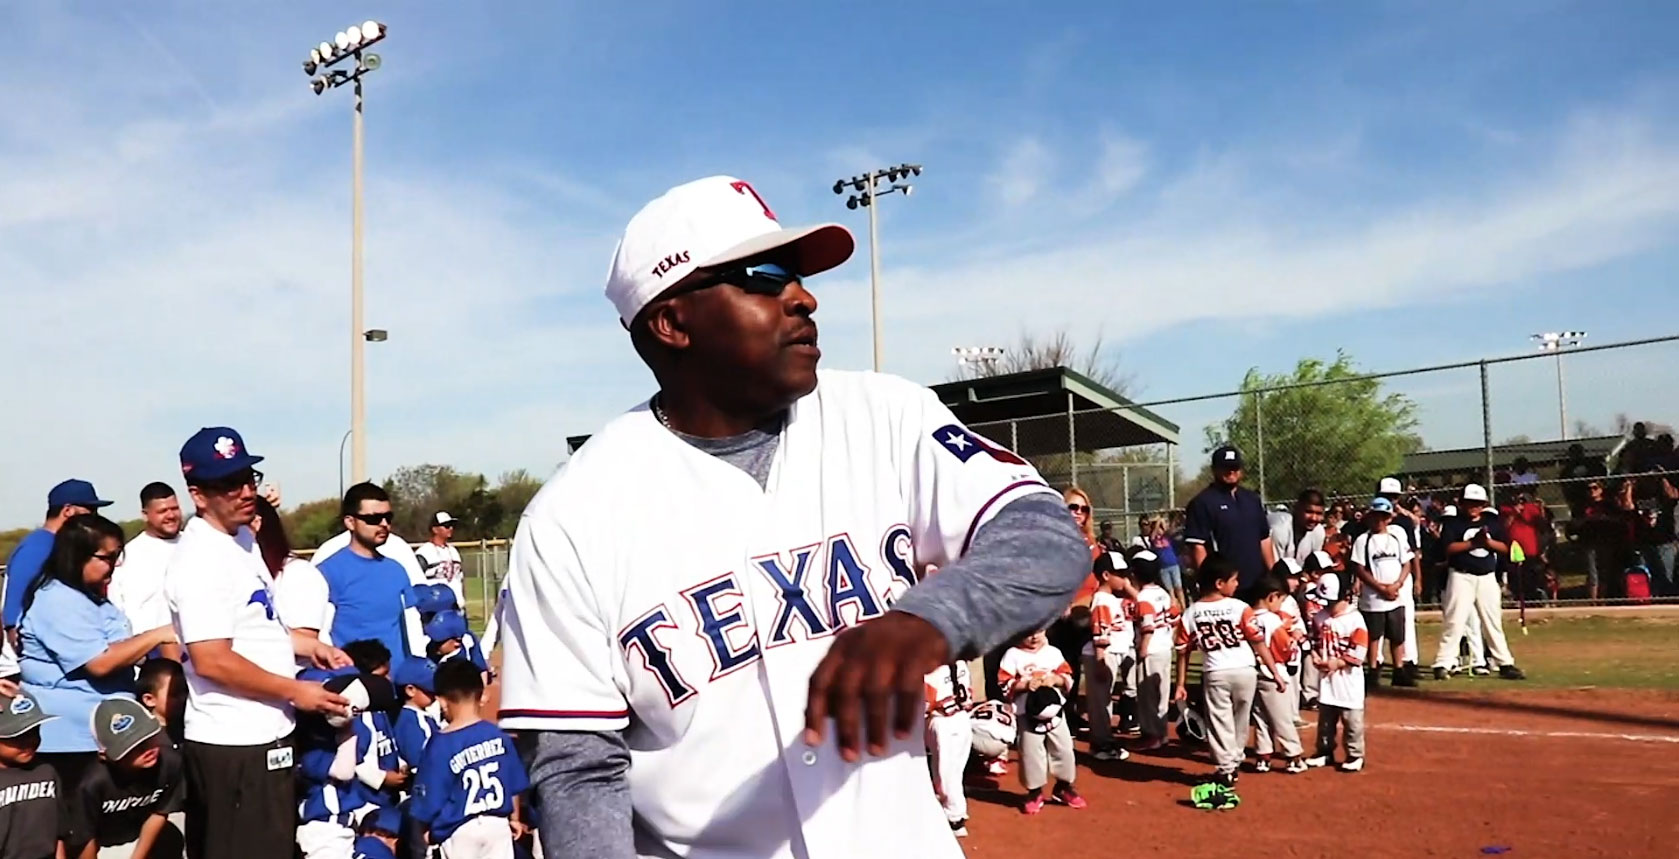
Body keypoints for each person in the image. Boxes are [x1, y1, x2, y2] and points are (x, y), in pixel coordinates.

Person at [497, 175, 1090, 858]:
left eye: (799, 277)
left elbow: (1044, 537)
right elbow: (578, 768)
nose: (803, 297)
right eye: (765, 276)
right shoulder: (572, 515)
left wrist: (926, 619)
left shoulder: (885, 416)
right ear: (672, 321)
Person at [164, 426, 352, 859]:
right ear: (198, 493)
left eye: (248, 478)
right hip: (233, 743)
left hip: (268, 732)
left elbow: (253, 628)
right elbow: (212, 660)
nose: (245, 491)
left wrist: (307, 647)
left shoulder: (242, 541)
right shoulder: (199, 559)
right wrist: (296, 690)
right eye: (228, 484)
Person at [17, 513, 178, 848]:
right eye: (106, 558)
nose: (113, 566)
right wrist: (159, 634)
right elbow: (100, 663)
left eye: (117, 556)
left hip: (110, 734)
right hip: (70, 743)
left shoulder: (91, 597)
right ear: (77, 555)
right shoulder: (56, 599)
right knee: (80, 835)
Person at [1173, 554, 1286, 788]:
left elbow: (1182, 650)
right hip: (1245, 670)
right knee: (1240, 719)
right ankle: (1233, 760)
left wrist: (1181, 683)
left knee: (1219, 721)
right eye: (1233, 580)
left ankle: (1226, 767)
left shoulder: (1191, 612)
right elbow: (1258, 643)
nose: (1237, 584)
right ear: (1219, 583)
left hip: (1216, 673)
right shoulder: (1241, 608)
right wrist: (1274, 672)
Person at [411, 659, 529, 858]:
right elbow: (513, 784)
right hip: (497, 826)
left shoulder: (440, 743)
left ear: (441, 701)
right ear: (482, 696)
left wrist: (424, 831)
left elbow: (430, 798)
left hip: (460, 830)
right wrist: (514, 818)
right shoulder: (498, 735)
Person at [313, 484, 423, 662]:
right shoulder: (327, 572)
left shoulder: (397, 570)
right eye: (374, 519)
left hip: (396, 685)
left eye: (388, 517)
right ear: (350, 522)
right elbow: (321, 635)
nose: (384, 524)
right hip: (352, 684)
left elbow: (412, 628)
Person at [1429, 485, 1526, 681]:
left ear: (1483, 505)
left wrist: (1488, 543)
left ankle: (1504, 662)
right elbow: (1449, 548)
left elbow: (1505, 547)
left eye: (1477, 504)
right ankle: (1443, 663)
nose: (1473, 507)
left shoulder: (1493, 523)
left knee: (1492, 621)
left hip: (1486, 576)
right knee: (1454, 621)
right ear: (1461, 503)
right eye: (1469, 503)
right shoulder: (1454, 524)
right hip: (1461, 575)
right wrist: (1473, 543)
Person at [75, 696, 186, 859]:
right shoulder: (93, 783)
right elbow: (85, 838)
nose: (147, 749)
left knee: (172, 839)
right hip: (103, 847)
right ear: (105, 755)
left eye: (148, 738)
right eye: (134, 746)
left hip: (141, 842)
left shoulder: (170, 762)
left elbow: (159, 813)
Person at [4, 480, 113, 640]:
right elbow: (15, 611)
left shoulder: (59, 544)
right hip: (28, 655)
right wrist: (22, 652)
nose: (94, 517)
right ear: (68, 510)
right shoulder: (39, 546)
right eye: (90, 510)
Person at [999, 629, 1082, 815]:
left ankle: (1063, 786)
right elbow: (1004, 683)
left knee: (1064, 748)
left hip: (1055, 712)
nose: (1034, 637)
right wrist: (1025, 685)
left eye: (1039, 632)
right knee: (1031, 752)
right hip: (1027, 712)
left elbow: (1067, 676)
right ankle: (1034, 791)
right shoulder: (1012, 655)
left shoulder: (1052, 652)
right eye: (1028, 633)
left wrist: (1056, 679)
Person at [1183, 446, 1276, 595]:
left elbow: (1264, 538)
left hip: (1258, 583)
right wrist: (1208, 585)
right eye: (1225, 467)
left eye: (1235, 467)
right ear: (1214, 469)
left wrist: (1273, 573)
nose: (1231, 472)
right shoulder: (1203, 503)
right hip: (1224, 586)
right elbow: (1197, 547)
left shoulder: (1252, 499)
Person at [109, 483, 185, 662]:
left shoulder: (195, 545)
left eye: (175, 508)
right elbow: (116, 608)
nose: (171, 515)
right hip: (149, 659)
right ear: (145, 515)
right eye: (163, 511)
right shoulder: (129, 556)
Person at [1349, 499, 1417, 687]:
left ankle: (1399, 669)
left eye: (1384, 516)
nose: (1380, 520)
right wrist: (1380, 587)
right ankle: (1373, 670)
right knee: (1374, 635)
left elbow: (1406, 563)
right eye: (1376, 516)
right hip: (1374, 597)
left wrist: (1397, 584)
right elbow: (1360, 568)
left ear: (1389, 518)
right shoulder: (1363, 540)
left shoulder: (1396, 537)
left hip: (1396, 595)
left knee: (1397, 635)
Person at [1305, 571, 1368, 771]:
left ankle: (1355, 755)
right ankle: (1324, 751)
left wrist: (1338, 663)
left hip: (1348, 680)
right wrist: (1315, 656)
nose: (1326, 606)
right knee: (1325, 720)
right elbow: (1314, 640)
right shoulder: (1320, 618)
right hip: (1326, 680)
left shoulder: (1355, 620)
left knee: (1352, 721)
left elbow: (1358, 652)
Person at [1247, 576, 1306, 774]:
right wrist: (1294, 641)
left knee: (1260, 717)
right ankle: (1293, 756)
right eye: (1280, 600)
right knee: (1282, 718)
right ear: (1272, 597)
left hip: (1252, 672)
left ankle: (1263, 757)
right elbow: (1284, 647)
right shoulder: (1272, 620)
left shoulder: (1247, 616)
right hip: (1274, 675)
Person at [0, 688, 68, 859]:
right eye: (17, 735)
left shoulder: (47, 771)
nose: (29, 740)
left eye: (33, 731)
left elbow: (59, 833)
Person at [1083, 552, 1134, 762]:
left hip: (1112, 653)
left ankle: (1104, 739)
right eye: (1120, 574)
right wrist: (1101, 660)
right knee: (1100, 702)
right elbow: (1100, 632)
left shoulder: (1113, 599)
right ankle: (1100, 743)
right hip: (1102, 655)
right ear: (1106, 575)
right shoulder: (1102, 600)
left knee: (1104, 700)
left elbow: (1139, 604)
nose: (1125, 579)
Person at [1127, 550, 1176, 752]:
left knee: (1148, 696)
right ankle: (1162, 734)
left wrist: (1142, 649)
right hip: (1165, 648)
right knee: (1162, 694)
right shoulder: (1162, 593)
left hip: (1151, 650)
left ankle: (1152, 735)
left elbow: (1147, 626)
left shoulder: (1143, 597)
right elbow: (1174, 619)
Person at [922, 659, 974, 837]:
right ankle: (952, 810)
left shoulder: (930, 670)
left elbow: (924, 705)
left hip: (943, 722)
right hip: (962, 719)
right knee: (953, 771)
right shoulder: (961, 663)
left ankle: (955, 817)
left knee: (946, 771)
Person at [414, 513, 467, 609]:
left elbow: (460, 579)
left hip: (456, 607)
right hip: (434, 610)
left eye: (452, 525)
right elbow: (416, 583)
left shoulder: (453, 551)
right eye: (446, 526)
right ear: (435, 529)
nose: (450, 528)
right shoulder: (424, 552)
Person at [1268, 488, 1328, 564]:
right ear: (1297, 509)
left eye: (1319, 513)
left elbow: (1313, 568)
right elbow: (1274, 569)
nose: (1313, 518)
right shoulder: (1280, 530)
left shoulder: (1318, 531)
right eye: (1309, 512)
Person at [136, 658, 187, 747]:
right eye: (174, 694)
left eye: (185, 691)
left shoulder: (189, 729)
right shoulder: (146, 741)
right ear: (149, 699)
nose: (183, 698)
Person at [1141, 514, 1185, 608]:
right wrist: (1158, 520)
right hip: (1163, 567)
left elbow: (1169, 529)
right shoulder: (1152, 539)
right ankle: (1174, 608)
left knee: (1179, 588)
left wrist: (1162, 520)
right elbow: (1154, 533)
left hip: (1173, 564)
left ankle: (1183, 607)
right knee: (1170, 590)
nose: (1160, 530)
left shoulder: (1167, 537)